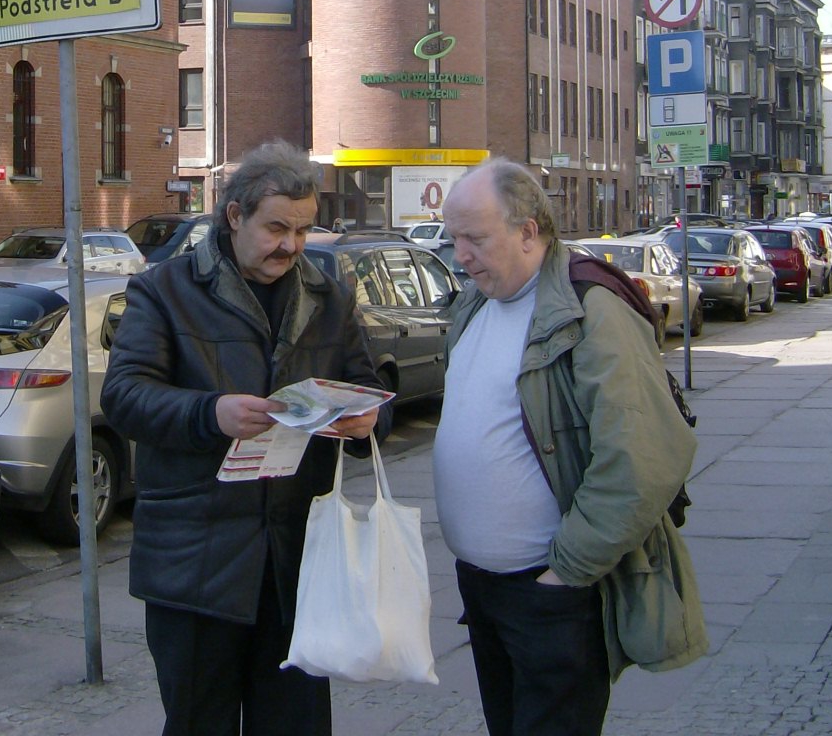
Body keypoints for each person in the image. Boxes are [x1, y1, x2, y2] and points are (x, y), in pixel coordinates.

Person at [102, 139, 391, 736]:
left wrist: (364, 422)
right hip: (196, 564)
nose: (291, 245)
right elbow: (124, 397)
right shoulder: (165, 290)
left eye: (304, 231)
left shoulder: (328, 296)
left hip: (295, 568)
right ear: (234, 216)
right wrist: (212, 414)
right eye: (277, 228)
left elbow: (368, 388)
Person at [435, 157, 706, 736]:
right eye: (453, 238)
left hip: (551, 593)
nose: (461, 255)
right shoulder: (478, 300)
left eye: (475, 239)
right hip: (484, 588)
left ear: (529, 230)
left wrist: (568, 571)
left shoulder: (590, 307)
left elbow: (643, 457)